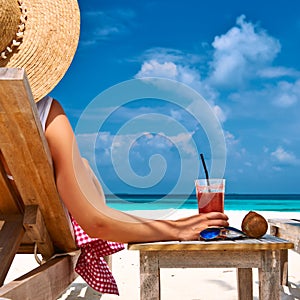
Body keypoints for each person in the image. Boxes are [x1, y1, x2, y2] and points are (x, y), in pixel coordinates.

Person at [0, 0, 229, 295]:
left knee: (82, 167)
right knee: (82, 168)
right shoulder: (44, 115)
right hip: (52, 223)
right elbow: (96, 223)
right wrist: (177, 229)